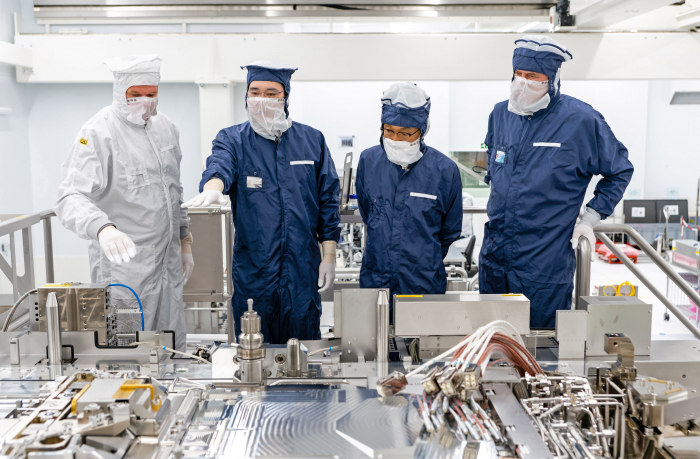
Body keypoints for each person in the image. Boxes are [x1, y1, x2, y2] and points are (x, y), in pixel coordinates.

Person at [479, 36, 634, 328]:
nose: (522, 83)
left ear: (551, 80)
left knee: (540, 351)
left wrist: (590, 218)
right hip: (495, 259)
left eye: (532, 77)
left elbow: (619, 170)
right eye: (518, 75)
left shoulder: (580, 120)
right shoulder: (501, 114)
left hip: (543, 263)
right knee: (493, 341)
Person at [182, 61, 340, 343]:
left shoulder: (311, 141)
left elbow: (328, 200)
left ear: (285, 97)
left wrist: (328, 256)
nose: (261, 99)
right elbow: (219, 165)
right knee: (253, 352)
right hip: (255, 272)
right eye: (254, 92)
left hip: (301, 271)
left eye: (270, 93)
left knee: (302, 354)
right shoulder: (233, 139)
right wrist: (214, 187)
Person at [55, 54, 193, 351]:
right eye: (135, 95)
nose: (145, 102)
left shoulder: (165, 128)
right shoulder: (98, 133)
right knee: (126, 349)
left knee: (171, 347)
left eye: (151, 94)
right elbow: (70, 196)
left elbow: (173, 189)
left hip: (167, 266)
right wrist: (103, 228)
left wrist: (185, 241)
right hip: (125, 270)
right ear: (120, 93)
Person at [356, 82, 463, 300]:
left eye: (405, 134)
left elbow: (449, 230)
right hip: (376, 280)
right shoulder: (369, 161)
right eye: (389, 131)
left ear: (422, 131)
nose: (395, 140)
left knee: (421, 334)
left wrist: (421, 258)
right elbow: (368, 213)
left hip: (422, 282)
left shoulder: (444, 170)